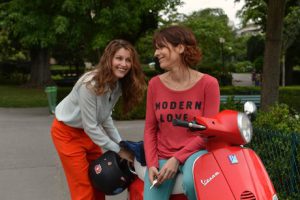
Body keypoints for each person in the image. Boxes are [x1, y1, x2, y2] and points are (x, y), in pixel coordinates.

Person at [51, 39, 146, 200]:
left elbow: (105, 118)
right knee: (83, 186)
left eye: (128, 60)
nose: (123, 64)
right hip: (67, 134)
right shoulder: (89, 85)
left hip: (89, 135)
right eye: (119, 58)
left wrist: (121, 144)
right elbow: (91, 126)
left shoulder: (117, 85)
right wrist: (118, 150)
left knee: (100, 181)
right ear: (109, 59)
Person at [143, 25, 220, 200]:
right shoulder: (154, 84)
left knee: (193, 183)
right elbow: (149, 129)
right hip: (162, 154)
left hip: (196, 152)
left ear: (180, 48)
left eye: (161, 47)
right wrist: (152, 164)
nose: (156, 53)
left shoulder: (209, 84)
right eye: (156, 48)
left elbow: (208, 132)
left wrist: (177, 158)